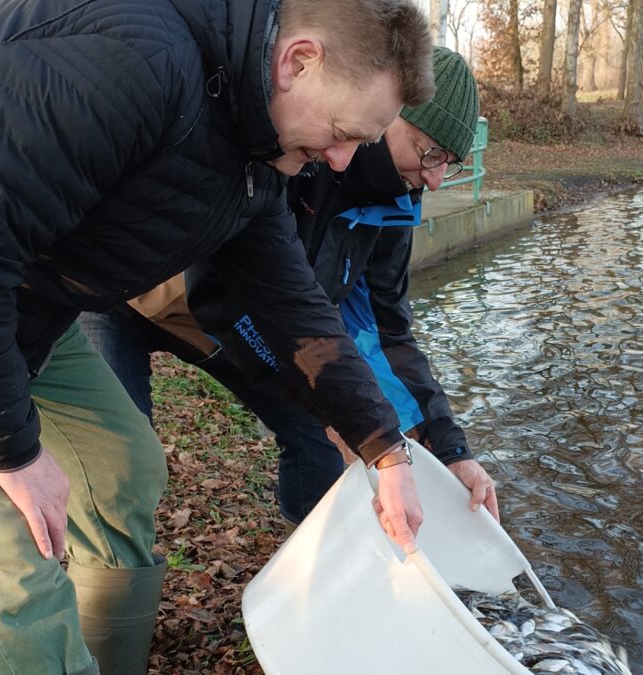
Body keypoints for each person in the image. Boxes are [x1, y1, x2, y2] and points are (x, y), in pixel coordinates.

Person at [0, 0, 434, 673]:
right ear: (299, 61)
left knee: (124, 465)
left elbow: (296, 312)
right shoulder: (133, 60)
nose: (342, 158)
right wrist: (12, 453)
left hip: (24, 296)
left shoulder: (257, 152)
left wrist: (385, 450)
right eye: (343, 131)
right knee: (12, 564)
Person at [80, 48, 500, 529]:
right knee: (123, 468)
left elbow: (387, 333)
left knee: (317, 431)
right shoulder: (303, 157)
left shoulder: (395, 207)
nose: (436, 178)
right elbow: (230, 293)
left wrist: (448, 448)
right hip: (134, 299)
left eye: (449, 162)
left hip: (244, 320)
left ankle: (313, 553)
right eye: (429, 153)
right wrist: (347, 415)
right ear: (387, 114)